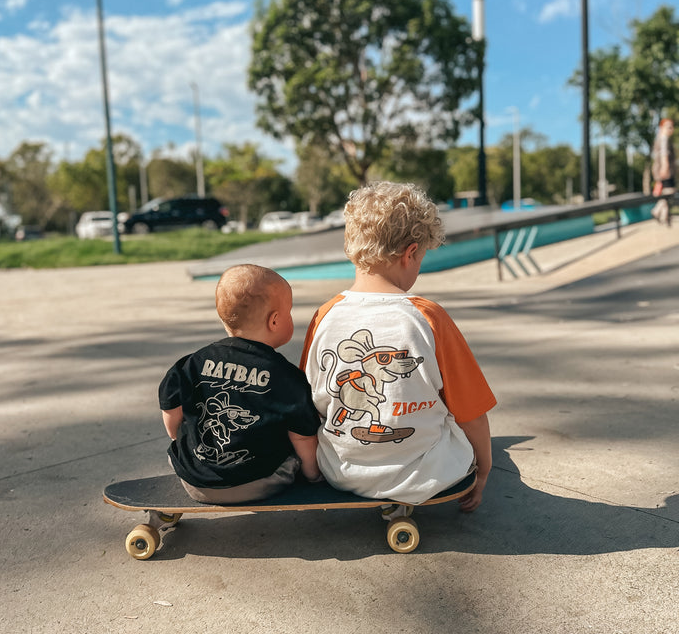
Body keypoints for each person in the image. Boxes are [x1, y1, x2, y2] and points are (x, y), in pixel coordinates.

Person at [300, 181, 496, 512]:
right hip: (428, 476)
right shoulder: (427, 317)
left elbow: (312, 398)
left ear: (350, 247)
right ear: (410, 253)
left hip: (341, 472)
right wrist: (484, 469)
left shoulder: (325, 315)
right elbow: (472, 414)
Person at [159, 264, 321, 503]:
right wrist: (313, 476)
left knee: (182, 444)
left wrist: (179, 440)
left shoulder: (191, 364)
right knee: (294, 452)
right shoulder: (286, 377)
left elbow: (171, 410)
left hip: (194, 481)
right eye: (289, 312)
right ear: (274, 321)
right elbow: (303, 438)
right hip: (260, 482)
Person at [651, 118, 676, 225]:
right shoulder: (664, 138)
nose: (670, 129)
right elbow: (664, 154)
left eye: (672, 126)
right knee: (669, 192)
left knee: (666, 193)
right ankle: (657, 211)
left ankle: (664, 216)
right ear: (662, 128)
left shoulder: (659, 139)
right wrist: (665, 167)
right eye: (668, 126)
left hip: (661, 170)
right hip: (666, 171)